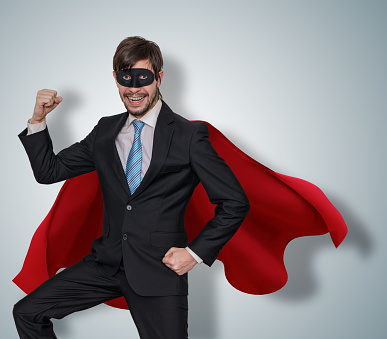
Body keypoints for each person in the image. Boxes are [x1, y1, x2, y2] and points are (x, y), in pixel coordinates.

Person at [13, 36, 250, 339]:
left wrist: (194, 253)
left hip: (159, 271)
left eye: (143, 78)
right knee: (27, 312)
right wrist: (37, 120)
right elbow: (49, 171)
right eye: (126, 78)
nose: (134, 89)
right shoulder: (105, 131)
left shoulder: (188, 135)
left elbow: (234, 202)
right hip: (106, 263)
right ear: (115, 79)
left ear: (159, 78)